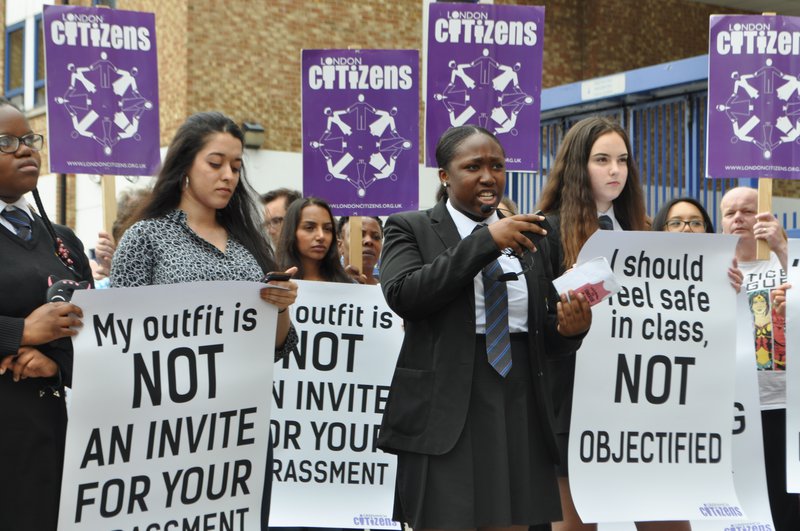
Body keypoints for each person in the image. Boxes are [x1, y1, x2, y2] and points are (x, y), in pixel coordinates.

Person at [377, 125, 592, 530]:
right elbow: (406, 295)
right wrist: (485, 241)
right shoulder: (411, 227)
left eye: (497, 165)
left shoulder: (534, 236)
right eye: (473, 166)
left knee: (511, 522)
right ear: (445, 175)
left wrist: (568, 330)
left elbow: (543, 334)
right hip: (447, 403)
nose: (488, 176)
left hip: (519, 396)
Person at [109, 111, 298, 528]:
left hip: (244, 426)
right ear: (185, 166)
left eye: (235, 166)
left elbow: (280, 346)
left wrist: (281, 306)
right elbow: (117, 339)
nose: (228, 176)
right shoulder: (146, 237)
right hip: (170, 433)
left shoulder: (249, 245)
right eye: (215, 164)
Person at [537, 116, 689, 531]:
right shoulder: (544, 234)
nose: (615, 170)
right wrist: (564, 326)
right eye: (601, 159)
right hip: (574, 409)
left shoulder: (646, 235)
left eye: (622, 160)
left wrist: (718, 286)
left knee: (667, 521)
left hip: (641, 408)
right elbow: (536, 328)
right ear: (576, 167)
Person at [0, 97, 93, 529]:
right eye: (6, 142)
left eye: (30, 139)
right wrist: (21, 331)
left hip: (54, 439)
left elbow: (98, 332)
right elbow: (32, 328)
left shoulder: (63, 240)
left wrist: (55, 363)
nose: (25, 150)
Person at [719, 186, 798, 531]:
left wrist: (783, 248)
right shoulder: (714, 271)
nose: (738, 218)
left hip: (785, 409)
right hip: (733, 414)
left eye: (748, 211)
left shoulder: (788, 261)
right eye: (729, 213)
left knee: (787, 509)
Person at [651, 196, 743, 291]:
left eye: (696, 223)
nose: (687, 229)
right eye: (676, 223)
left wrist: (732, 295)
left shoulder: (723, 274)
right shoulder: (645, 272)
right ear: (660, 230)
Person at [276, 197, 352, 283]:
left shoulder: (348, 284)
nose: (321, 236)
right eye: (309, 228)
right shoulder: (274, 284)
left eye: (327, 229)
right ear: (292, 231)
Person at [337, 216, 383, 284]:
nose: (369, 241)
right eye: (358, 235)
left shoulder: (390, 291)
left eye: (376, 237)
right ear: (340, 246)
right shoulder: (325, 287)